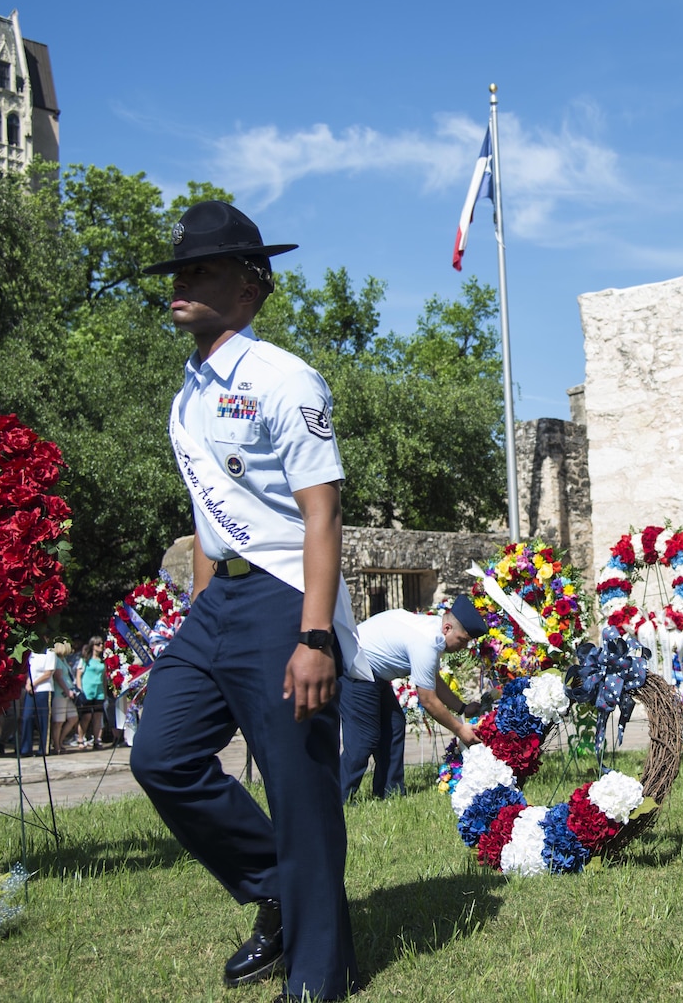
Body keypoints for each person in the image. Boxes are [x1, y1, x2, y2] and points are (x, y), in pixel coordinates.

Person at [128, 201, 364, 1002]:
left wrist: (315, 637)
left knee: (297, 792)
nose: (181, 283)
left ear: (249, 287)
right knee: (160, 757)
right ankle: (277, 891)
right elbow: (205, 518)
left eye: (200, 270)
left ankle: (319, 974)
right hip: (216, 604)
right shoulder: (188, 393)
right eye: (177, 271)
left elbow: (322, 514)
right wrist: (197, 614)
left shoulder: (283, 379)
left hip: (283, 599)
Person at [341, 596, 486, 801]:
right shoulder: (426, 641)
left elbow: (432, 679)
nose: (463, 647)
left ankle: (390, 794)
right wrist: (460, 729)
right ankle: (339, 798)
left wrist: (462, 708)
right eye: (462, 640)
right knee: (364, 738)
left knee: (394, 724)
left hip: (372, 671)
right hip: (355, 668)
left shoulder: (432, 631)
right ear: (447, 628)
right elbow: (428, 699)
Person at [18, 648, 56, 756]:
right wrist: (28, 683)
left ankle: (44, 749)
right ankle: (26, 748)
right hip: (31, 690)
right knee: (27, 717)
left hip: (44, 689)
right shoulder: (32, 653)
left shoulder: (50, 652)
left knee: (43, 720)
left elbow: (48, 673)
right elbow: (30, 670)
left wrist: (33, 683)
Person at [75, 637, 108, 749]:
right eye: (98, 644)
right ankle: (80, 738)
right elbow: (78, 675)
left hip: (99, 691)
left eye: (102, 644)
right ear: (92, 646)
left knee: (98, 716)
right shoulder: (85, 660)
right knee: (86, 716)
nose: (100, 646)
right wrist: (80, 690)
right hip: (87, 691)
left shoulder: (103, 661)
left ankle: (97, 739)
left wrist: (104, 692)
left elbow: (104, 678)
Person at [49, 640, 80, 753]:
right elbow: (58, 677)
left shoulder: (64, 660)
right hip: (60, 694)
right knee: (58, 721)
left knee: (73, 718)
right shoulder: (56, 660)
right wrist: (67, 691)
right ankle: (56, 745)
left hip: (68, 693)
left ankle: (60, 740)